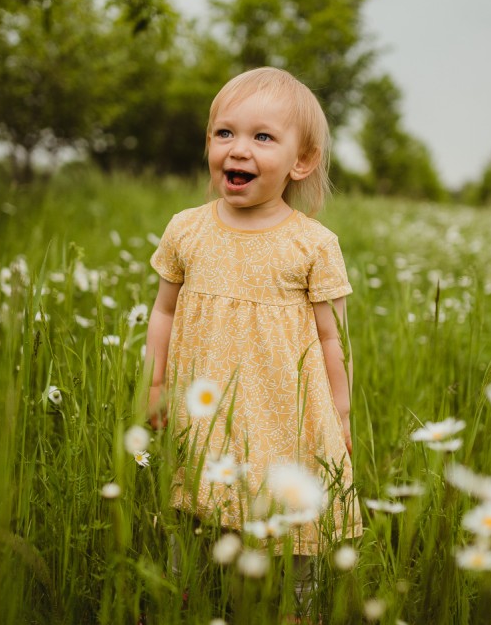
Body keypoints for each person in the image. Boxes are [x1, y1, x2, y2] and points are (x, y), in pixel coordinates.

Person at [144, 67, 362, 590]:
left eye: (262, 137)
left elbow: (334, 339)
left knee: (294, 510)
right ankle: (186, 599)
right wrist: (153, 384)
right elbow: (164, 312)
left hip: (286, 409)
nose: (238, 149)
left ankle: (298, 606)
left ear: (301, 161)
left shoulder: (312, 244)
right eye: (226, 133)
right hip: (204, 401)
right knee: (192, 497)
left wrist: (341, 414)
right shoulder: (187, 229)